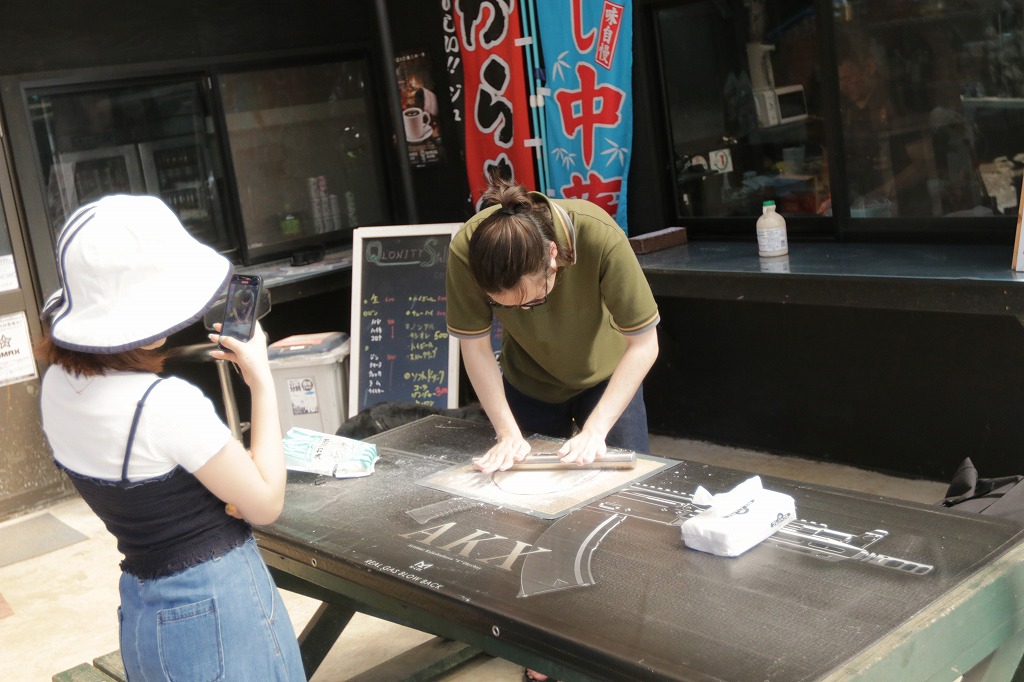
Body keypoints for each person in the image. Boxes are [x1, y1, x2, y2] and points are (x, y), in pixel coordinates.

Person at [36, 195, 305, 681]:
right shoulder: (163, 405)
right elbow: (265, 504)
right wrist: (261, 379)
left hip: (143, 608)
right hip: (218, 606)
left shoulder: (55, 386)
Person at [446, 174, 660, 475]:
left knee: (626, 483)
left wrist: (595, 430)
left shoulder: (597, 234)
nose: (523, 312)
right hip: (528, 379)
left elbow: (644, 343)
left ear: (552, 257)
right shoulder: (467, 251)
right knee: (524, 487)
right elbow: (475, 347)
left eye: (533, 300)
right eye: (504, 306)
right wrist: (507, 434)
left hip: (606, 375)